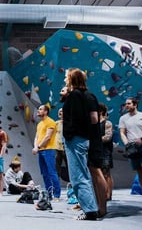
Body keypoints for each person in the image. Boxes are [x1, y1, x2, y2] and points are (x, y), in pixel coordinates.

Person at [62, 68, 99, 220]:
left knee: (78, 176)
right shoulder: (89, 96)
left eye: (67, 77)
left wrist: (69, 134)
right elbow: (94, 119)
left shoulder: (74, 96)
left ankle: (89, 210)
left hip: (75, 139)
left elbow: (75, 118)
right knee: (83, 174)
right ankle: (91, 207)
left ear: (71, 79)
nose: (65, 79)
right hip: (83, 139)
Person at [84, 86, 108, 218]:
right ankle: (99, 205)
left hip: (94, 143)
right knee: (94, 174)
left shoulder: (98, 121)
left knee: (98, 172)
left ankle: (103, 207)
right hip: (92, 141)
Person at [32, 104, 61, 202]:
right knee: (44, 173)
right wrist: (36, 147)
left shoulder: (51, 122)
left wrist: (38, 147)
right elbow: (36, 137)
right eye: (38, 109)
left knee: (52, 172)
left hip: (48, 150)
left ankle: (57, 195)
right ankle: (49, 194)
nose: (38, 111)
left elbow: (48, 137)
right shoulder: (39, 124)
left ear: (46, 111)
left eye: (40, 109)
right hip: (40, 151)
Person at [99, 102, 114, 201]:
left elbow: (107, 137)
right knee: (99, 173)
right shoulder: (94, 124)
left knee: (106, 173)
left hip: (105, 151)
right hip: (96, 150)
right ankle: (102, 193)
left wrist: (94, 140)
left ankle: (108, 195)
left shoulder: (107, 123)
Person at [54, 107, 68, 182]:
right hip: (58, 148)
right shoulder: (56, 123)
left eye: (62, 111)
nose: (60, 112)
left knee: (69, 166)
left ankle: (72, 184)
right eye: (59, 111)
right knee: (57, 166)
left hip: (67, 148)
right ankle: (56, 183)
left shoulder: (69, 123)